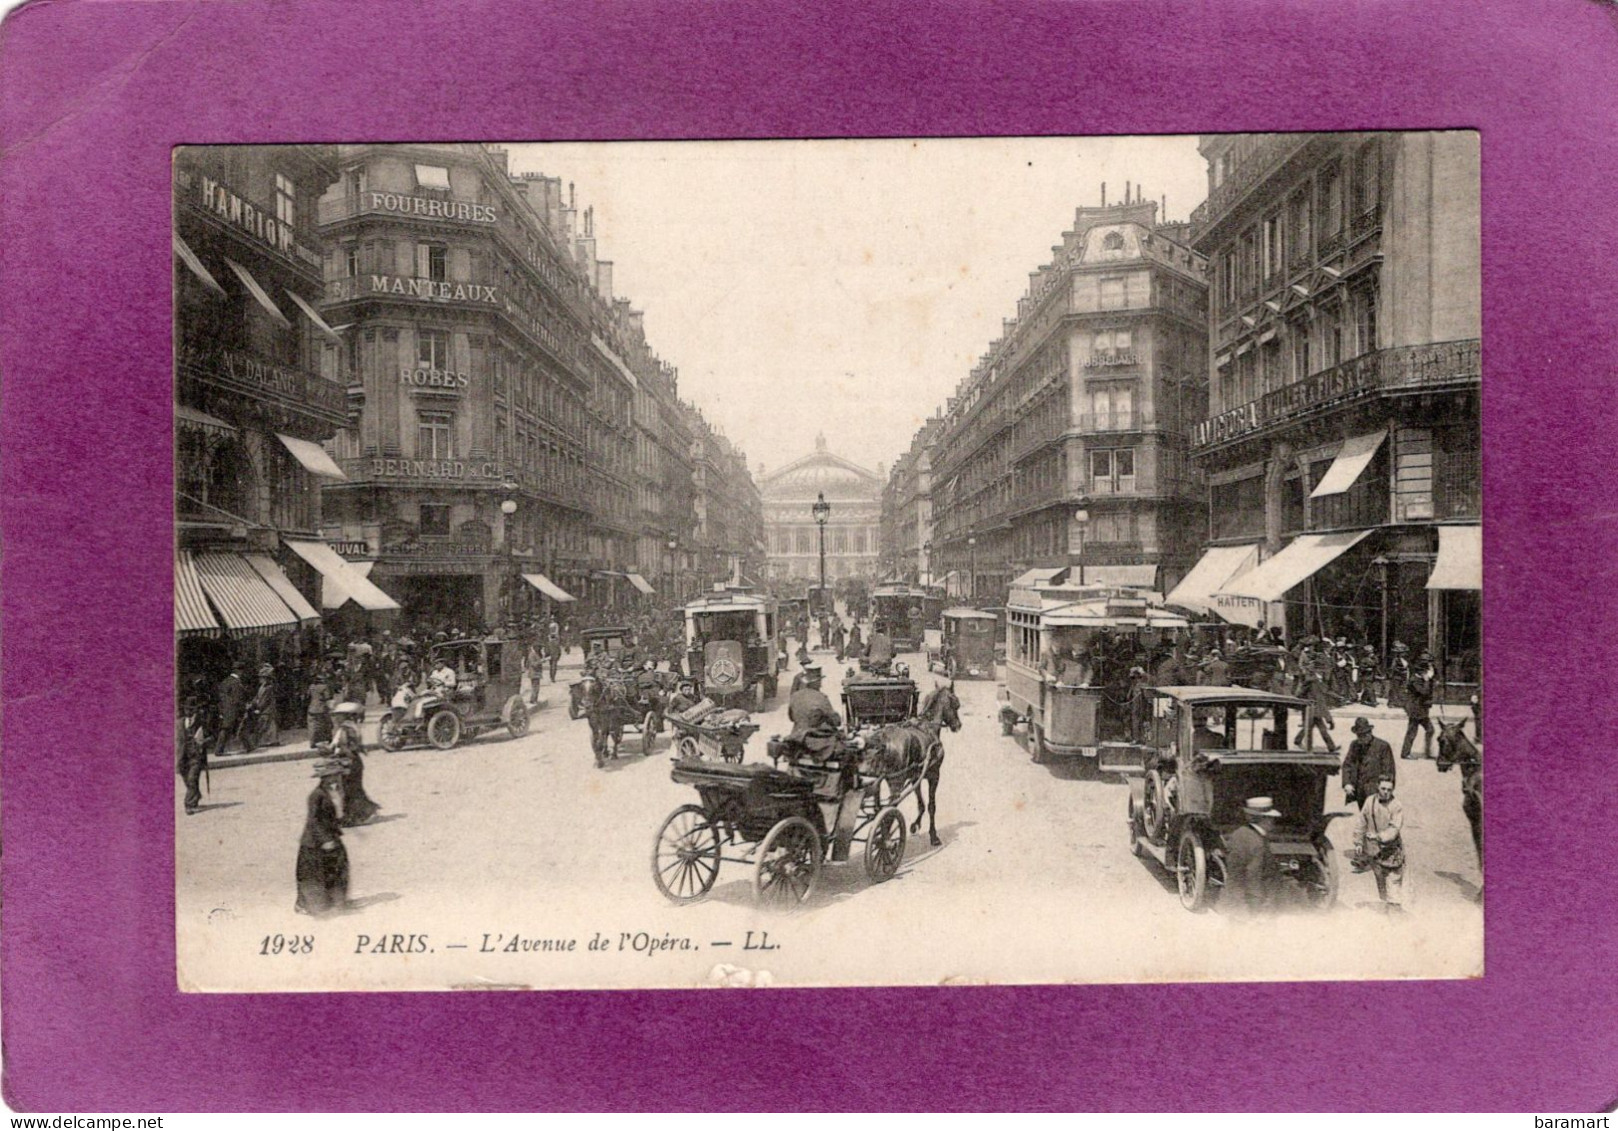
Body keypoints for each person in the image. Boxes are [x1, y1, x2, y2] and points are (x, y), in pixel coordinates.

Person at [295, 760, 350, 917]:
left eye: (337, 775)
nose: (336, 779)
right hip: (314, 841)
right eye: (332, 776)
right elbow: (313, 821)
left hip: (331, 836)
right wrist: (325, 840)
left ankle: (334, 901)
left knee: (337, 867)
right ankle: (306, 905)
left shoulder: (335, 792)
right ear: (324, 778)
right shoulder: (316, 796)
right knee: (313, 874)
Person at [1352, 774, 1406, 912]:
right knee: (1381, 880)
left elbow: (1394, 829)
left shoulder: (1396, 806)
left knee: (1393, 880)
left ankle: (1395, 910)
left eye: (1389, 789)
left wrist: (1378, 836)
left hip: (1392, 851)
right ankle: (1388, 906)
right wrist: (1358, 842)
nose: (1386, 792)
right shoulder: (1370, 801)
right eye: (1383, 788)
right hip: (1374, 851)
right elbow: (1361, 822)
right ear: (1377, 787)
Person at [1222, 796, 1282, 916]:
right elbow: (1253, 876)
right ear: (1265, 819)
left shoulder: (1241, 833)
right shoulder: (1257, 842)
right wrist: (1258, 909)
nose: (1273, 823)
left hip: (1239, 901)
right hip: (1253, 907)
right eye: (1272, 819)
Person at [329, 702, 381, 827]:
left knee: (349, 790)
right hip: (354, 762)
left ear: (346, 716)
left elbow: (346, 747)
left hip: (349, 762)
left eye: (339, 715)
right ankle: (359, 814)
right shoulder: (353, 727)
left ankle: (352, 817)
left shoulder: (346, 729)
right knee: (354, 789)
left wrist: (335, 752)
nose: (335, 718)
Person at [786, 666, 843, 754]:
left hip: (796, 735)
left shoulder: (795, 696)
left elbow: (791, 717)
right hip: (816, 738)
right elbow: (835, 721)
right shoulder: (821, 697)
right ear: (816, 682)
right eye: (819, 680)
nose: (821, 683)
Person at [1340, 717, 1395, 808]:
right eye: (1359, 736)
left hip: (1375, 792)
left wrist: (1384, 790)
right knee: (1363, 818)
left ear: (1369, 733)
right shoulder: (1354, 745)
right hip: (1359, 791)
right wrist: (1347, 783)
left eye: (1363, 735)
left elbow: (1388, 770)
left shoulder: (1383, 746)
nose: (1361, 739)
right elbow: (1347, 765)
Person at [176, 693, 210, 815]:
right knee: (187, 778)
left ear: (195, 710)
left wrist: (203, 741)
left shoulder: (201, 722)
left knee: (192, 778)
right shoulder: (179, 723)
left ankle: (189, 804)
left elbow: (210, 736)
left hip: (196, 756)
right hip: (183, 756)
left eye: (191, 710)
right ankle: (196, 794)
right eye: (186, 709)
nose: (188, 712)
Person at [1401, 651, 1436, 760]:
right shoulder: (1415, 680)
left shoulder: (1420, 678)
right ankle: (1405, 753)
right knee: (1412, 731)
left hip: (1422, 710)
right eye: (1428, 668)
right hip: (1416, 710)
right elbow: (1424, 692)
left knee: (1430, 730)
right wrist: (1427, 681)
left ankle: (1427, 752)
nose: (1430, 670)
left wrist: (1429, 680)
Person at [214, 667, 247, 755]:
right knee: (229, 728)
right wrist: (242, 708)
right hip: (233, 709)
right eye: (242, 671)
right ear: (239, 671)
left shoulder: (225, 681)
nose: (242, 673)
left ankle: (249, 746)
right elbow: (237, 698)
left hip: (225, 709)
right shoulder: (236, 682)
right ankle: (218, 750)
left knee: (231, 728)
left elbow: (220, 697)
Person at [306, 667, 334, 748]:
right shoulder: (324, 687)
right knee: (327, 724)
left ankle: (312, 742)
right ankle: (329, 739)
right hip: (322, 708)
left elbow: (307, 696)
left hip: (312, 708)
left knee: (312, 726)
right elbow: (327, 697)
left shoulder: (311, 686)